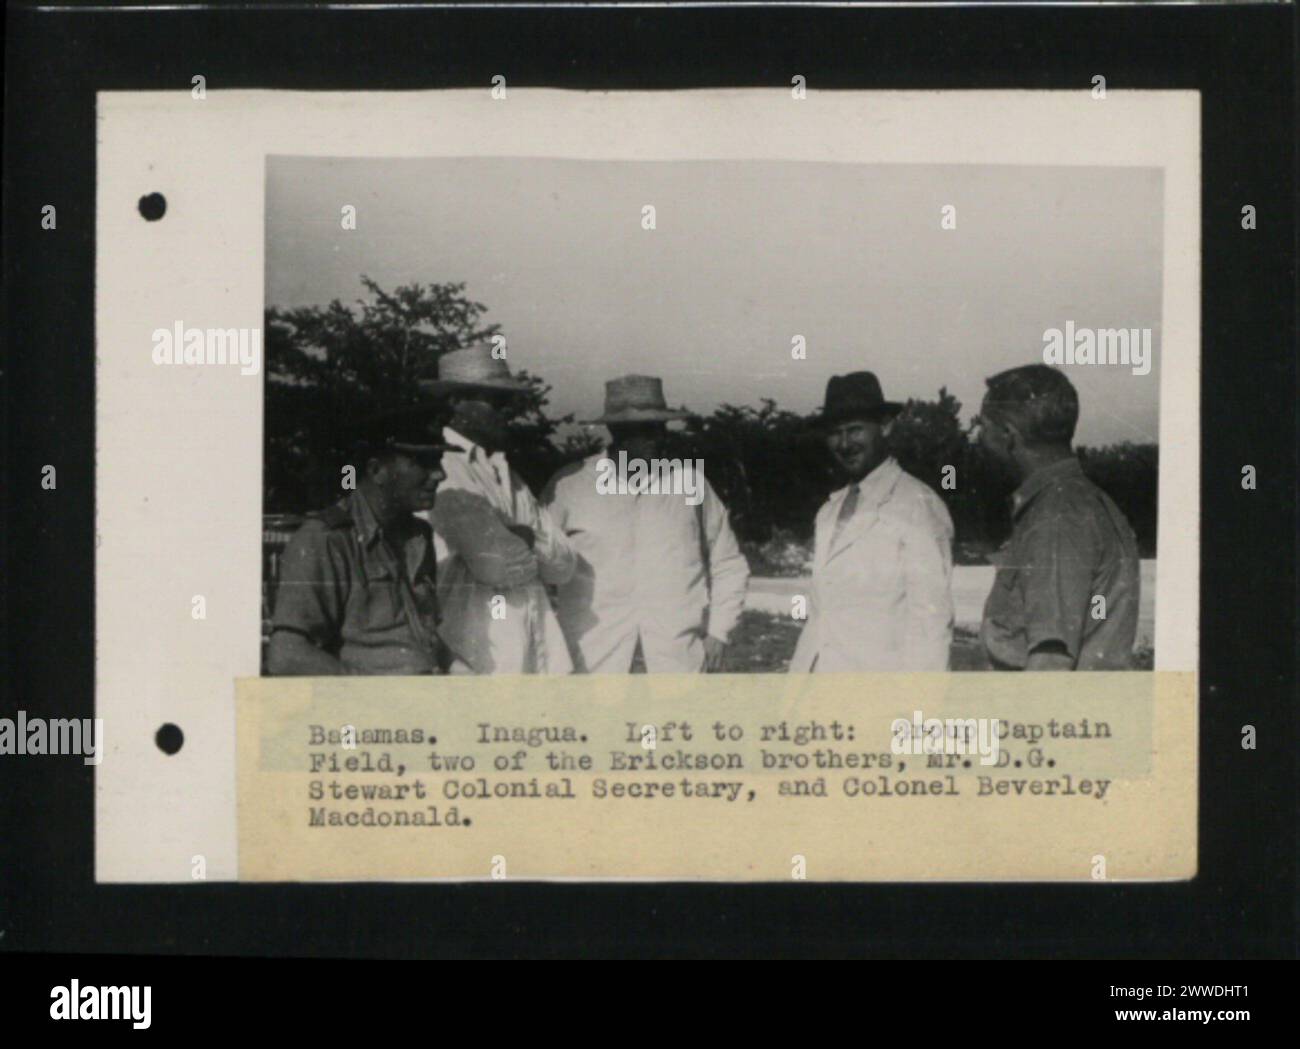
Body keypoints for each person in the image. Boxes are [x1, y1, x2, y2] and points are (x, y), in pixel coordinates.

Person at [543, 375, 749, 673]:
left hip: (678, 662)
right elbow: (541, 565)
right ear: (616, 431)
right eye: (643, 430)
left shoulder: (690, 485)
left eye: (660, 427)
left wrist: (719, 632)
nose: (657, 438)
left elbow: (727, 562)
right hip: (593, 662)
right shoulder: (569, 486)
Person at [420, 343, 576, 674]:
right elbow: (496, 567)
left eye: (510, 401)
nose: (508, 411)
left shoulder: (511, 476)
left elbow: (564, 566)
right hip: (474, 657)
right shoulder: (443, 470)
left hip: (535, 655)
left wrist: (521, 537)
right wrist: (533, 542)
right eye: (496, 401)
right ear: (456, 401)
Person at [267, 406, 457, 675]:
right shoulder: (326, 541)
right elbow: (287, 655)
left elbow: (418, 637)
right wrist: (376, 697)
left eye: (437, 461)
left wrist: (461, 671)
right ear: (377, 470)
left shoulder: (418, 536)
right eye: (423, 463)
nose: (440, 475)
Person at [976, 364, 1140, 670]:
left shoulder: (1055, 517)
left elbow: (1050, 662)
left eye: (982, 428)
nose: (979, 439)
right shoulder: (1079, 502)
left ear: (1008, 435)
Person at [790, 371, 954, 672]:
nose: (844, 443)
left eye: (854, 430)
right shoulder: (829, 511)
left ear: (886, 426)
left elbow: (931, 625)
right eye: (834, 433)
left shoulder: (917, 505)